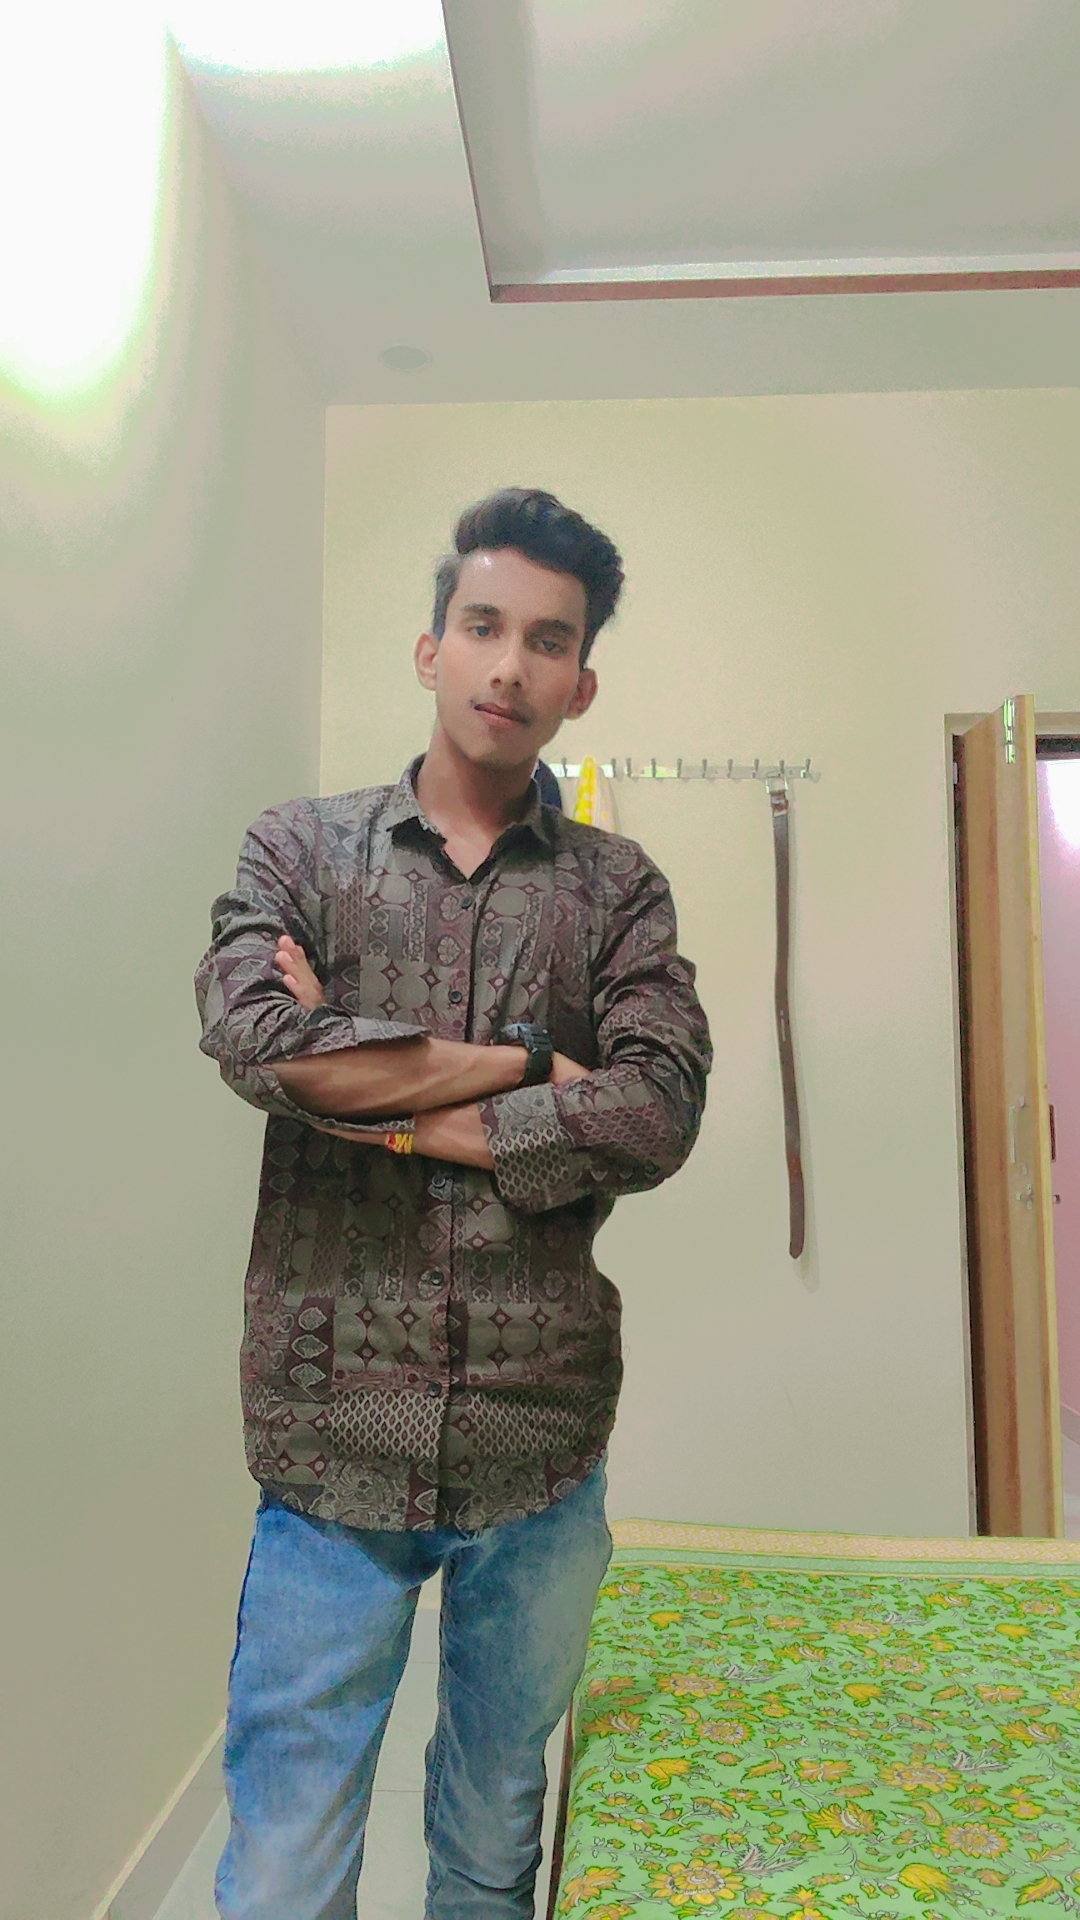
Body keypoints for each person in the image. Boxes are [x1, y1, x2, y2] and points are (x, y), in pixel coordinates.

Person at [195, 487, 712, 1920]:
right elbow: (257, 1042)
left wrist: (378, 1097)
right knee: (285, 1866)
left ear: (581, 682)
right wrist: (539, 1065)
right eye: (483, 625)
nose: (509, 665)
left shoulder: (617, 892)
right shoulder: (302, 852)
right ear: (431, 648)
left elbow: (658, 1109)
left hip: (537, 1441)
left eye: (549, 640)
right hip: (328, 1438)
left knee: (491, 1839)